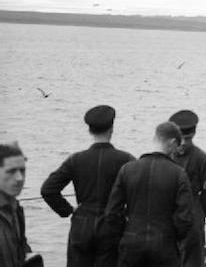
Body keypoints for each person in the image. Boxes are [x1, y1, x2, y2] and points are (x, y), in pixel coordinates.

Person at [41, 105, 134, 267]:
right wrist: (126, 213)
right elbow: (138, 192)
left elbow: (48, 189)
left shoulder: (76, 160)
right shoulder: (126, 160)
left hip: (81, 225)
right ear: (111, 129)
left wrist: (68, 210)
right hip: (112, 226)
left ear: (90, 131)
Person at [101, 122, 193, 267]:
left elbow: (112, 212)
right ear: (172, 142)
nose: (176, 152)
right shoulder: (179, 174)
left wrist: (125, 233)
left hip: (131, 241)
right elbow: (185, 218)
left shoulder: (127, 169)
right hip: (165, 244)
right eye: (177, 147)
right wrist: (173, 236)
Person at [169, 110, 206, 267]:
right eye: (181, 139)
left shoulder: (203, 160)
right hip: (169, 213)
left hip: (192, 214)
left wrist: (197, 213)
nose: (183, 143)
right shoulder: (167, 157)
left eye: (187, 139)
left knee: (192, 260)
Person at [0, 142, 33, 267]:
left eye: (22, 171)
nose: (19, 178)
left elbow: (22, 249)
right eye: (11, 171)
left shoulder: (15, 209)